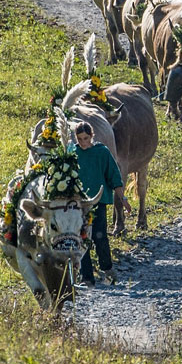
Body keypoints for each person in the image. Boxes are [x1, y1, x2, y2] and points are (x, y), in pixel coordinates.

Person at [71, 122, 128, 287]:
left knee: (99, 236)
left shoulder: (102, 152)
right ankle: (87, 276)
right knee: (82, 238)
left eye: (86, 138)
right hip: (78, 204)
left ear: (92, 136)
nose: (83, 142)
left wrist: (122, 198)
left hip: (98, 202)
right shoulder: (72, 152)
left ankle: (107, 268)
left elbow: (114, 176)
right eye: (80, 139)